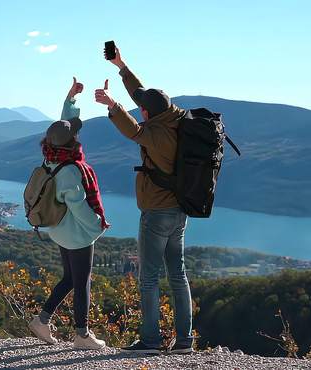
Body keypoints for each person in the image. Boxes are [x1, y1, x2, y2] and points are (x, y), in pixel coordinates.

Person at [94, 45, 194, 355]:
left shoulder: (156, 135)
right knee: (177, 274)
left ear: (149, 115)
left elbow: (133, 130)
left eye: (144, 111)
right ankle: (184, 342)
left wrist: (113, 105)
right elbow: (144, 96)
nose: (141, 111)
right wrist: (121, 66)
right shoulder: (176, 118)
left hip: (157, 213)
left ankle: (150, 341)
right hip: (181, 210)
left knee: (149, 277)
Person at [28, 77, 110, 350]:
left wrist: (71, 99)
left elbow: (64, 129)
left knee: (69, 278)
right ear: (71, 143)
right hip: (77, 233)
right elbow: (79, 206)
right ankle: (82, 335)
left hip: (59, 230)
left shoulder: (51, 159)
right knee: (82, 280)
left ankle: (42, 320)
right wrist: (97, 224)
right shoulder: (72, 170)